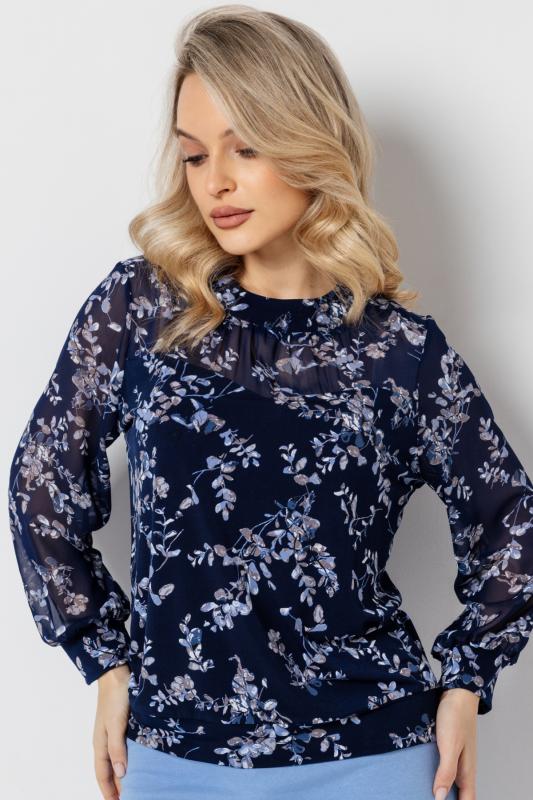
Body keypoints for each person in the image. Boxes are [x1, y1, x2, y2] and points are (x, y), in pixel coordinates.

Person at [7, 6, 533, 800]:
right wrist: (105, 662)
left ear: (308, 139)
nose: (213, 181)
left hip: (373, 755)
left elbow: (510, 520)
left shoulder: (398, 351)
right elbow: (41, 483)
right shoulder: (142, 309)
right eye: (194, 154)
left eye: (245, 147)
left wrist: (465, 684)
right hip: (176, 758)